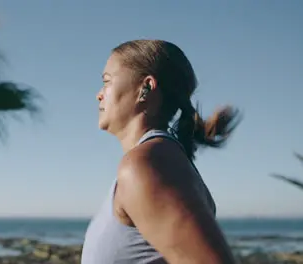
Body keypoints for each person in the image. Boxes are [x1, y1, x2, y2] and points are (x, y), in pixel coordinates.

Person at [81, 40, 241, 264]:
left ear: (145, 87)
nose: (99, 94)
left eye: (106, 81)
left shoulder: (146, 165)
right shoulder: (157, 160)